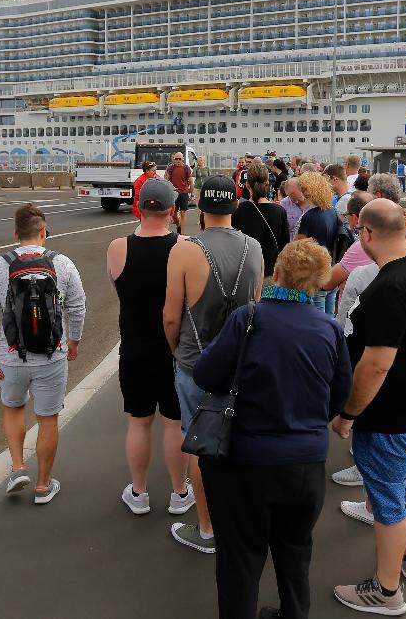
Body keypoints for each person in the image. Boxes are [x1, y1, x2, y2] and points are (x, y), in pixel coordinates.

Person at [194, 239, 352, 619]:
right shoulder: (329, 330)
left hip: (243, 461)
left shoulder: (248, 319)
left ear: (276, 273)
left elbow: (205, 374)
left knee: (240, 559)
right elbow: (339, 396)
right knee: (295, 552)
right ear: (319, 283)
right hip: (305, 465)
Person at [330, 200, 406, 615]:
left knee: (387, 502)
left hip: (390, 412)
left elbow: (376, 364)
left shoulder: (388, 288)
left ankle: (385, 590)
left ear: (367, 234)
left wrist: (348, 415)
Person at [163, 175, 264, 554]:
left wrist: (178, 351)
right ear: (235, 207)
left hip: (195, 362)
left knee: (202, 446)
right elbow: (255, 306)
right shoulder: (253, 248)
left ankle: (207, 529)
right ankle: (240, 518)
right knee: (239, 440)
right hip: (240, 363)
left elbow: (171, 317)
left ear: (201, 208)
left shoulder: (184, 249)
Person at [0, 204, 87, 505]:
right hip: (52, 355)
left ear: (15, 234)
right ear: (44, 232)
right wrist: (73, 341)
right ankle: (42, 486)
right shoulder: (62, 263)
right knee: (48, 417)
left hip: (12, 355)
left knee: (13, 408)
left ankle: (17, 469)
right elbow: (76, 307)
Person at [107, 180, 194, 516]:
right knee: (175, 425)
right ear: (172, 210)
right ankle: (179, 492)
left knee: (139, 422)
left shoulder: (118, 248)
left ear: (138, 208)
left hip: (134, 350)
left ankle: (139, 493)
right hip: (175, 350)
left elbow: (120, 286)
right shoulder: (185, 246)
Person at [232, 163, 291, 278]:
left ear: (248, 185)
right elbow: (285, 245)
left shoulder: (239, 210)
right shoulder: (279, 211)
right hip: (271, 271)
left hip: (245, 271)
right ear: (268, 184)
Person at [294, 172, 341, 315]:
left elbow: (300, 248)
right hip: (332, 272)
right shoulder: (332, 212)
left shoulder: (309, 217)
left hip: (315, 276)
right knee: (330, 316)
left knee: (317, 318)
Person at [165, 152, 194, 234]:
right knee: (173, 214)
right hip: (173, 193)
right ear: (174, 159)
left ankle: (182, 234)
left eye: (179, 159)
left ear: (183, 159)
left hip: (183, 193)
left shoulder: (186, 168)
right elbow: (166, 180)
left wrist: (192, 194)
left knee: (183, 214)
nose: (177, 160)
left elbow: (191, 182)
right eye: (176, 159)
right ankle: (178, 224)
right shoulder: (171, 167)